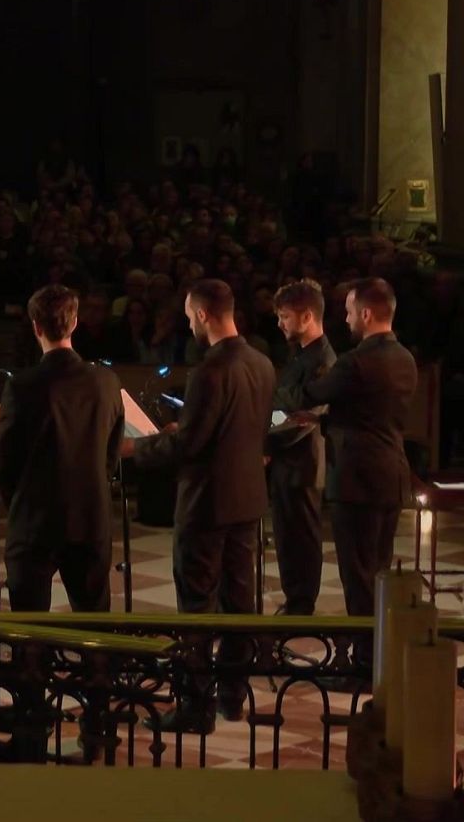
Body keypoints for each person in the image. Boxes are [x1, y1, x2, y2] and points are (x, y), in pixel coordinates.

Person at [129, 279, 275, 733]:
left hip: (207, 505)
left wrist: (142, 449)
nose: (188, 323)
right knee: (239, 604)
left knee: (197, 607)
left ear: (205, 315)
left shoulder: (209, 372)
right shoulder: (262, 363)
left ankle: (195, 707)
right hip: (247, 499)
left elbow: (191, 444)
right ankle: (233, 696)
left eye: (190, 316)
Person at [296, 278, 417, 666]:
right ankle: (377, 659)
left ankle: (364, 664)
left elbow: (311, 394)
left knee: (359, 579)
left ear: (366, 313)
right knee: (378, 575)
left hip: (357, 481)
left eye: (349, 312)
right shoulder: (405, 358)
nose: (346, 319)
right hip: (391, 475)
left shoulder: (356, 361)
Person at [0, 284, 123, 612]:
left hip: (35, 519)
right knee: (94, 621)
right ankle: (95, 664)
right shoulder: (106, 382)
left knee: (30, 626)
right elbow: (112, 451)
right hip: (90, 516)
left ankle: (35, 665)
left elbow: (5, 461)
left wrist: (18, 505)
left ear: (36, 327)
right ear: (75, 323)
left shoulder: (22, 386)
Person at [266, 279, 336, 616]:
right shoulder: (300, 357)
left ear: (307, 316)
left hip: (302, 462)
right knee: (286, 534)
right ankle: (295, 599)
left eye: (284, 316)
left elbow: (305, 416)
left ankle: (301, 604)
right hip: (286, 460)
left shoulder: (321, 358)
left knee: (302, 538)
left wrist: (264, 439)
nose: (280, 324)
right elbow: (285, 407)